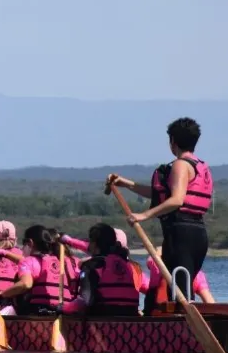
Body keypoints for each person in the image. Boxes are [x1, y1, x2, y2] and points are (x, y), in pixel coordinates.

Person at [107, 117, 213, 313]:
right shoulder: (200, 165)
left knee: (180, 287)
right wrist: (127, 184)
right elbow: (160, 192)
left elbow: (176, 200)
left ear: (173, 140)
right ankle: (183, 325)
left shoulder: (180, 165)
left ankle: (184, 331)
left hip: (182, 233)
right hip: (197, 233)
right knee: (181, 284)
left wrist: (143, 215)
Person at [0, 225, 78, 315]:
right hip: (65, 312)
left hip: (40, 311)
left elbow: (26, 283)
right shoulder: (62, 261)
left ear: (30, 243)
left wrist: (2, 295)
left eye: (24, 243)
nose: (23, 247)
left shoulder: (29, 261)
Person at [59, 223, 141, 317]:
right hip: (131, 320)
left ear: (94, 244)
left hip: (104, 322)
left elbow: (85, 300)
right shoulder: (128, 265)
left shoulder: (91, 266)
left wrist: (62, 308)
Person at [141, 246, 215, 311]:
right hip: (184, 316)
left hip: (158, 316)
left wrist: (160, 251)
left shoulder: (157, 267)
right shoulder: (198, 274)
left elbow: (150, 261)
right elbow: (210, 302)